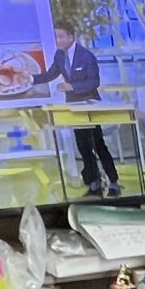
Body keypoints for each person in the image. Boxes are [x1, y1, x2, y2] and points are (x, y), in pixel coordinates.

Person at [34, 19, 119, 197]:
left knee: (98, 145)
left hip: (90, 106)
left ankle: (113, 182)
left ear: (71, 36)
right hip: (73, 107)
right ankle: (94, 183)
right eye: (56, 37)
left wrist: (72, 86)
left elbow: (94, 82)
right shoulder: (60, 55)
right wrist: (29, 79)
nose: (58, 40)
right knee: (83, 146)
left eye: (61, 37)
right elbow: (50, 74)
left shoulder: (86, 56)